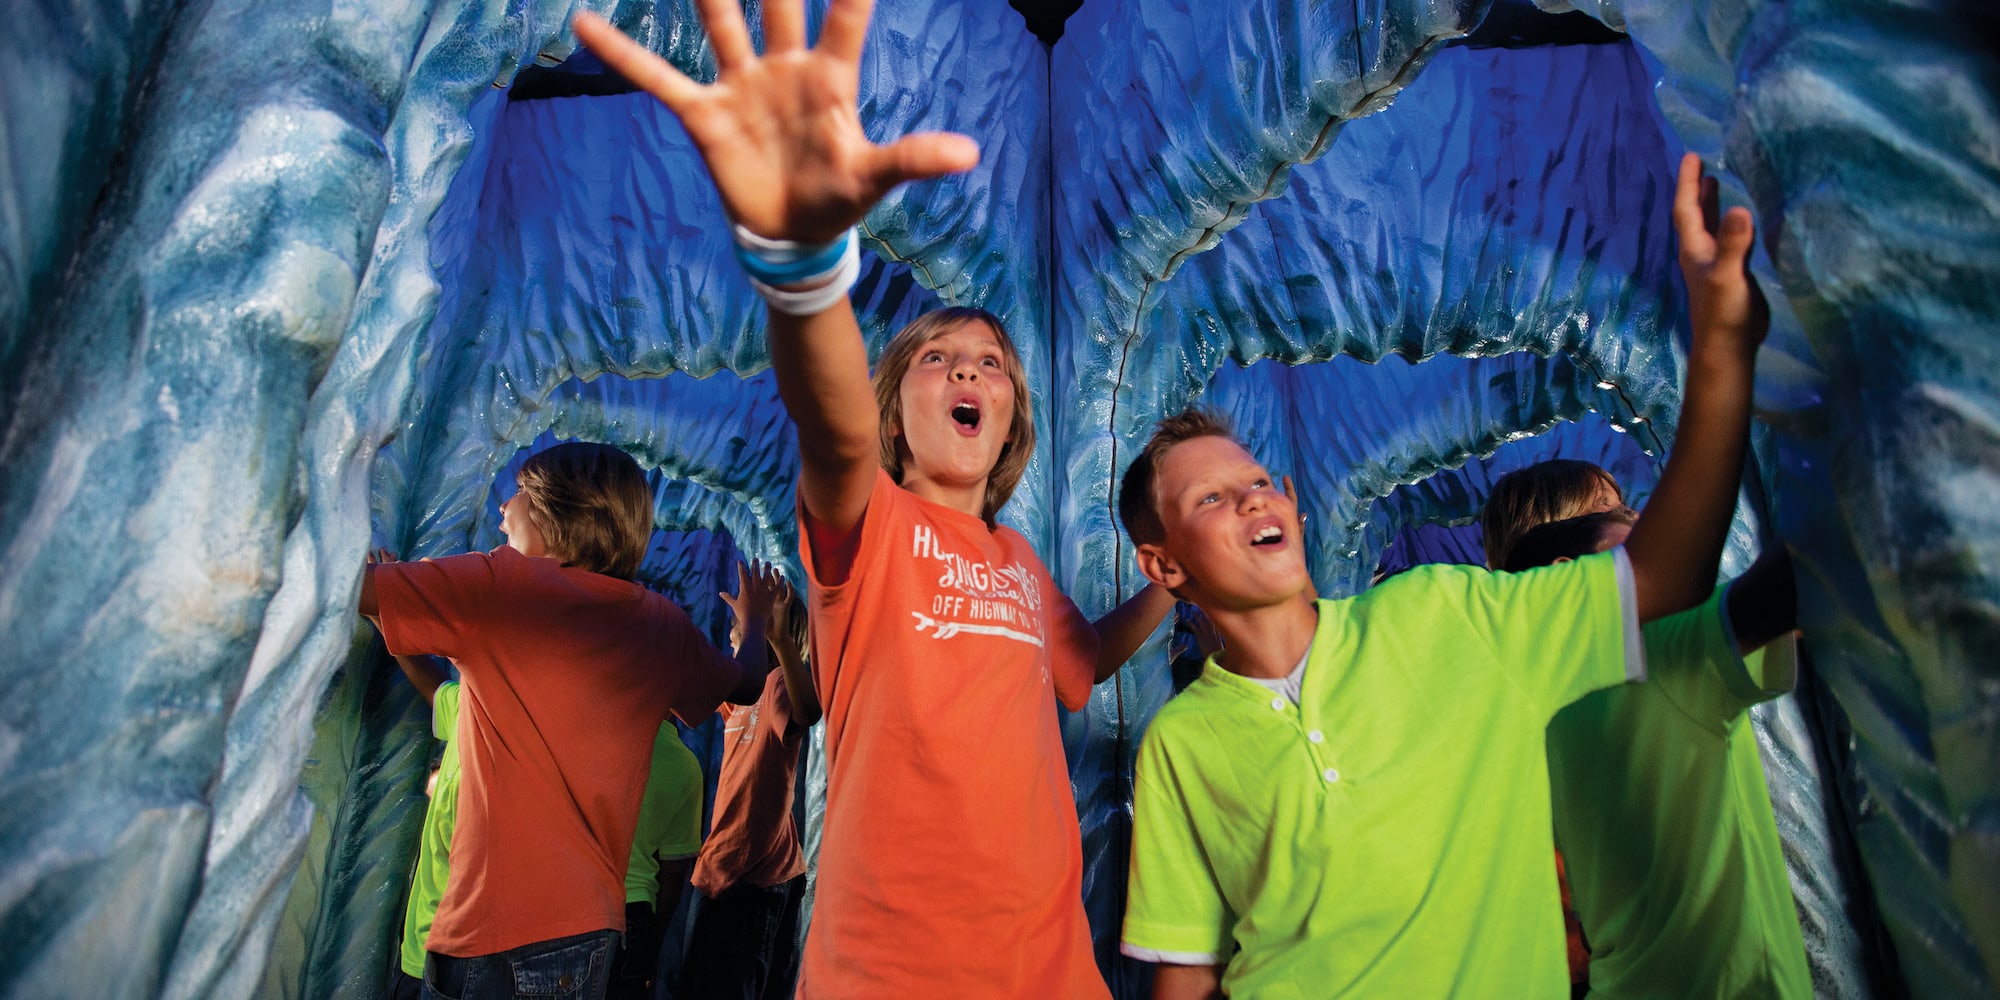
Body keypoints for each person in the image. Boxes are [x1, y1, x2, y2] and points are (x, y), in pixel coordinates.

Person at [572, 6, 1177, 995]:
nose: (965, 368)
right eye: (935, 359)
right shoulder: (871, 523)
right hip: (890, 971)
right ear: (895, 415)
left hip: (1049, 968)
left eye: (988, 361)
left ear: (1009, 419)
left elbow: (1080, 668)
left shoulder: (1020, 564)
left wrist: (1166, 588)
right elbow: (833, 428)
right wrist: (803, 269)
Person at [1114, 152, 1772, 999]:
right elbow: (1188, 973)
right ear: (1164, 564)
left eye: (1259, 480)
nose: (1251, 498)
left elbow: (1660, 580)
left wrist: (1721, 355)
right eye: (1210, 498)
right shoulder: (1180, 743)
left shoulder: (1448, 615)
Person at [359, 442, 779, 1000]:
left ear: (553, 512)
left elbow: (352, 589)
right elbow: (747, 681)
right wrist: (755, 620)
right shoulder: (660, 624)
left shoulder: (498, 585)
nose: (504, 507)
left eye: (519, 493)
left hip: (490, 928)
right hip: (589, 936)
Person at [1499, 514, 1811, 997]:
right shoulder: (1650, 651)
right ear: (1567, 574)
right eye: (1631, 525)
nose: (1658, 527)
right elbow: (1803, 569)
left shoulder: (1538, 725)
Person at [681, 563, 820, 1000]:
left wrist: (776, 638)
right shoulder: (741, 693)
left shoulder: (777, 684)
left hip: (752, 878)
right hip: (721, 871)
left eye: (739, 624)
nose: (732, 632)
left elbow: (808, 712)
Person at [610, 722, 705, 1000]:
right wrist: (655, 943)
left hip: (581, 903)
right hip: (635, 911)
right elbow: (673, 873)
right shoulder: (685, 764)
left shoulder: (601, 734)